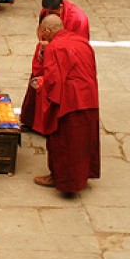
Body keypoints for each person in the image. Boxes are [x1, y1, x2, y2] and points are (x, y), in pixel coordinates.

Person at [31, 14, 100, 194]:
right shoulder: (81, 41)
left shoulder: (55, 48)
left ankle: (64, 181)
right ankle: (83, 175)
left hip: (69, 102)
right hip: (90, 96)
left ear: (47, 31)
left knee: (63, 142)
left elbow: (53, 80)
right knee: (84, 140)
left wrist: (42, 88)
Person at [20, 0, 89, 130]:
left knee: (57, 89)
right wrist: (43, 46)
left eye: (53, 12)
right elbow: (41, 29)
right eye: (47, 12)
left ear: (61, 7)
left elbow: (78, 45)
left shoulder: (78, 19)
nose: (50, 14)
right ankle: (32, 122)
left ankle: (52, 127)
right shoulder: (47, 12)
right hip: (48, 51)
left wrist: (53, 48)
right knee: (38, 82)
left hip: (66, 58)